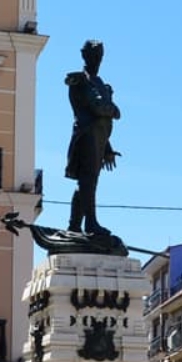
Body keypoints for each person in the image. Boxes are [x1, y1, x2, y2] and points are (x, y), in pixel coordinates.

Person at [64, 40, 122, 236]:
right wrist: (113, 109)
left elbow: (102, 120)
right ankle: (90, 223)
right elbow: (96, 106)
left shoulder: (99, 82)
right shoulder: (79, 80)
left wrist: (107, 148)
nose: (97, 60)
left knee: (87, 182)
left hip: (97, 138)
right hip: (86, 136)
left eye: (100, 56)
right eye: (93, 55)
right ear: (84, 56)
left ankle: (74, 225)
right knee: (87, 180)